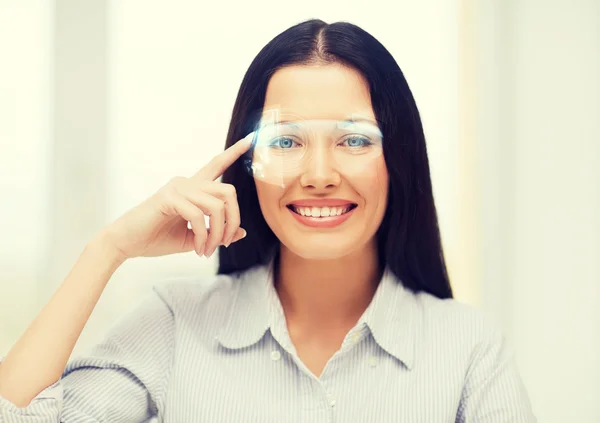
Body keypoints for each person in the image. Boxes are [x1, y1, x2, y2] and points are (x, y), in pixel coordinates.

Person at [0, 19, 536, 422]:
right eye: (286, 141)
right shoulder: (174, 324)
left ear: (398, 161)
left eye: (353, 140)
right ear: (249, 168)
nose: (319, 174)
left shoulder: (469, 350)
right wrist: (108, 248)